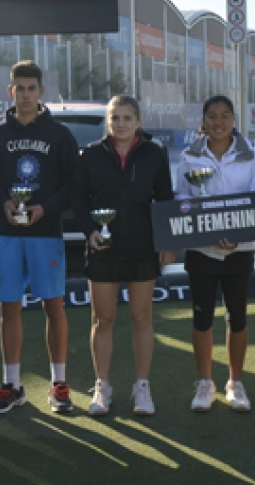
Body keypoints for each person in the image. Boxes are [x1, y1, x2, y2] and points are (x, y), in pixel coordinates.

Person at [0, 60, 79, 415]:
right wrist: (4, 202)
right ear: (10, 91)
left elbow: (71, 186)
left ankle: (59, 383)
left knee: (54, 306)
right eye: (19, 89)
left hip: (45, 232)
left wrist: (44, 209)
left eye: (31, 88)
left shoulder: (60, 134)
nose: (25, 95)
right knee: (9, 307)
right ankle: (12, 385)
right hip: (7, 233)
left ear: (41, 91)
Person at [73, 95, 175, 416]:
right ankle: (103, 386)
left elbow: (165, 199)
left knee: (141, 318)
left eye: (127, 118)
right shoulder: (90, 154)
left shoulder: (154, 154)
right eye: (115, 118)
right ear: (108, 120)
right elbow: (78, 198)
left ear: (138, 122)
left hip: (142, 247)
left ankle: (141, 387)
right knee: (103, 320)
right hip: (103, 248)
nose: (120, 124)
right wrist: (90, 229)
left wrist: (167, 242)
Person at [176, 95, 255, 413]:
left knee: (237, 317)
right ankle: (205, 383)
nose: (219, 122)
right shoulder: (188, 157)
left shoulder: (252, 157)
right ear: (203, 120)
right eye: (212, 116)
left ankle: (235, 382)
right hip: (201, 251)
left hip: (239, 251)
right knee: (202, 318)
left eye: (225, 115)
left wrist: (237, 237)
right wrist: (206, 233)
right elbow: (182, 202)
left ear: (234, 120)